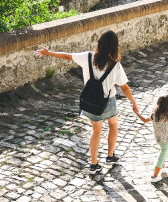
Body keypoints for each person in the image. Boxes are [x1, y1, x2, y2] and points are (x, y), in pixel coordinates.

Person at [34, 30, 139, 173]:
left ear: (99, 43)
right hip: (108, 102)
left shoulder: (87, 57)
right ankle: (110, 156)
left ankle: (94, 164)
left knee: (96, 130)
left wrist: (48, 52)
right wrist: (133, 102)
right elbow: (124, 87)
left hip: (90, 101)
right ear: (115, 47)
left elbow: (67, 56)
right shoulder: (115, 65)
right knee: (113, 125)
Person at [135, 95, 168, 182]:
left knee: (165, 152)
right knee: (161, 157)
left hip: (158, 139)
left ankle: (162, 166)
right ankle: (154, 177)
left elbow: (144, 120)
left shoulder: (154, 115)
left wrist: (137, 113)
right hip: (165, 141)